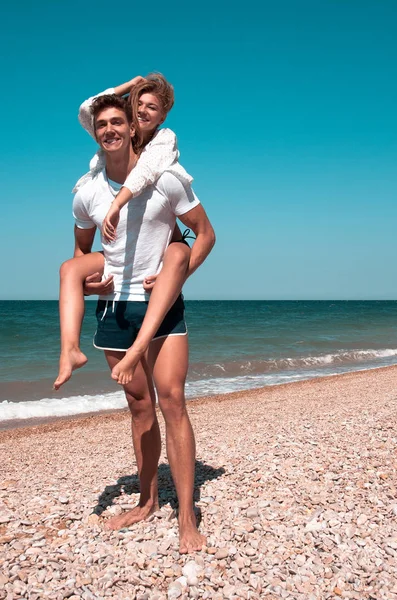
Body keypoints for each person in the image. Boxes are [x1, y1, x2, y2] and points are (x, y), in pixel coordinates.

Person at [72, 91, 215, 552]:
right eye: (102, 125)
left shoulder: (167, 179)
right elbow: (82, 254)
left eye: (119, 122)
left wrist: (177, 276)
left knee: (172, 402)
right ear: (95, 133)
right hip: (115, 311)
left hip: (161, 310)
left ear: (134, 128)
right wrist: (90, 284)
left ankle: (188, 515)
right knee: (138, 408)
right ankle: (148, 499)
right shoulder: (88, 189)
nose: (110, 130)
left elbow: (205, 235)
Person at [54, 74, 194, 390]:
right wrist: (125, 87)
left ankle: (141, 346)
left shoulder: (162, 142)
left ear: (162, 116)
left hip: (164, 246)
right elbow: (89, 109)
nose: (143, 112)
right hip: (118, 269)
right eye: (138, 105)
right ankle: (69, 350)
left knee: (179, 251)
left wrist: (117, 203)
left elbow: (145, 172)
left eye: (152, 107)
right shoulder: (109, 145)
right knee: (69, 269)